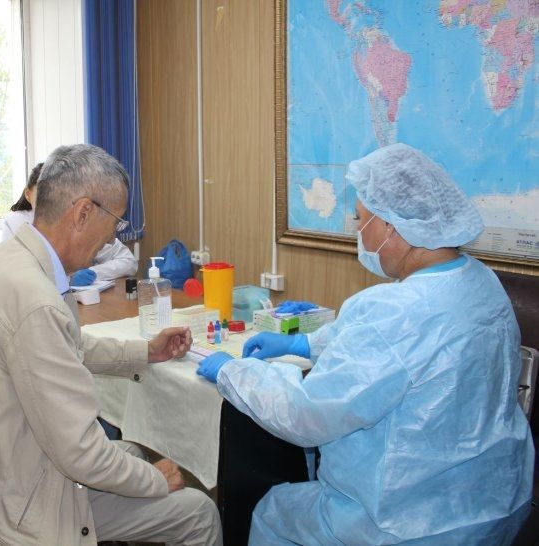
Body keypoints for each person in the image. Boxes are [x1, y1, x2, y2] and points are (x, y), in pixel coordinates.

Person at [197, 143, 534, 545]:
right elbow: (402, 352)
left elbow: (305, 414)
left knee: (273, 512)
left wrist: (233, 371)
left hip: (404, 524)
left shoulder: (395, 312)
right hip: (495, 503)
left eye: (359, 218)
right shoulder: (480, 281)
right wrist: (305, 343)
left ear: (390, 226)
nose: (357, 230)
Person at [0, 144, 222, 545]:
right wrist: (156, 480)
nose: (113, 237)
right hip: (22, 509)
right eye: (116, 222)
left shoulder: (7, 261)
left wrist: (145, 351)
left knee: (131, 453)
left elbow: (68, 346)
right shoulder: (36, 301)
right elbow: (81, 453)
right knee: (197, 511)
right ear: (83, 213)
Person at [2, 161, 138, 286]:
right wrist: (66, 279)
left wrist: (94, 273)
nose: (49, 202)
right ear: (28, 194)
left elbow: (128, 262)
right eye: (42, 195)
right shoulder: (16, 222)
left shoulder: (79, 220)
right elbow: (18, 273)